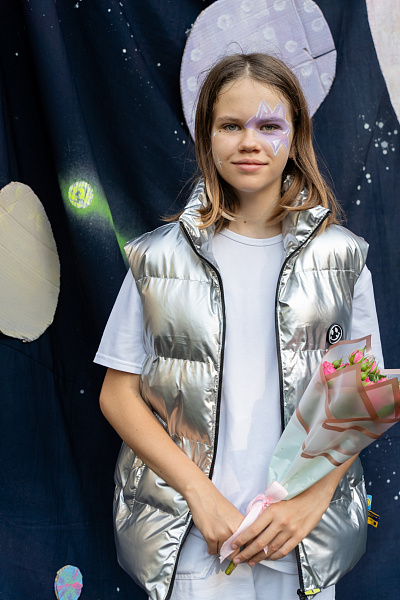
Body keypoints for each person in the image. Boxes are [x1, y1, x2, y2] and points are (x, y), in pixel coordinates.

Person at [94, 53, 383, 600]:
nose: (250, 142)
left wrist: (310, 502)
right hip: (192, 541)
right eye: (231, 125)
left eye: (269, 125)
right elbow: (117, 394)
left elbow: (358, 397)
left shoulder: (343, 259)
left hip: (300, 543)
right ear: (207, 138)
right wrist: (200, 496)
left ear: (295, 137)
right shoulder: (158, 258)